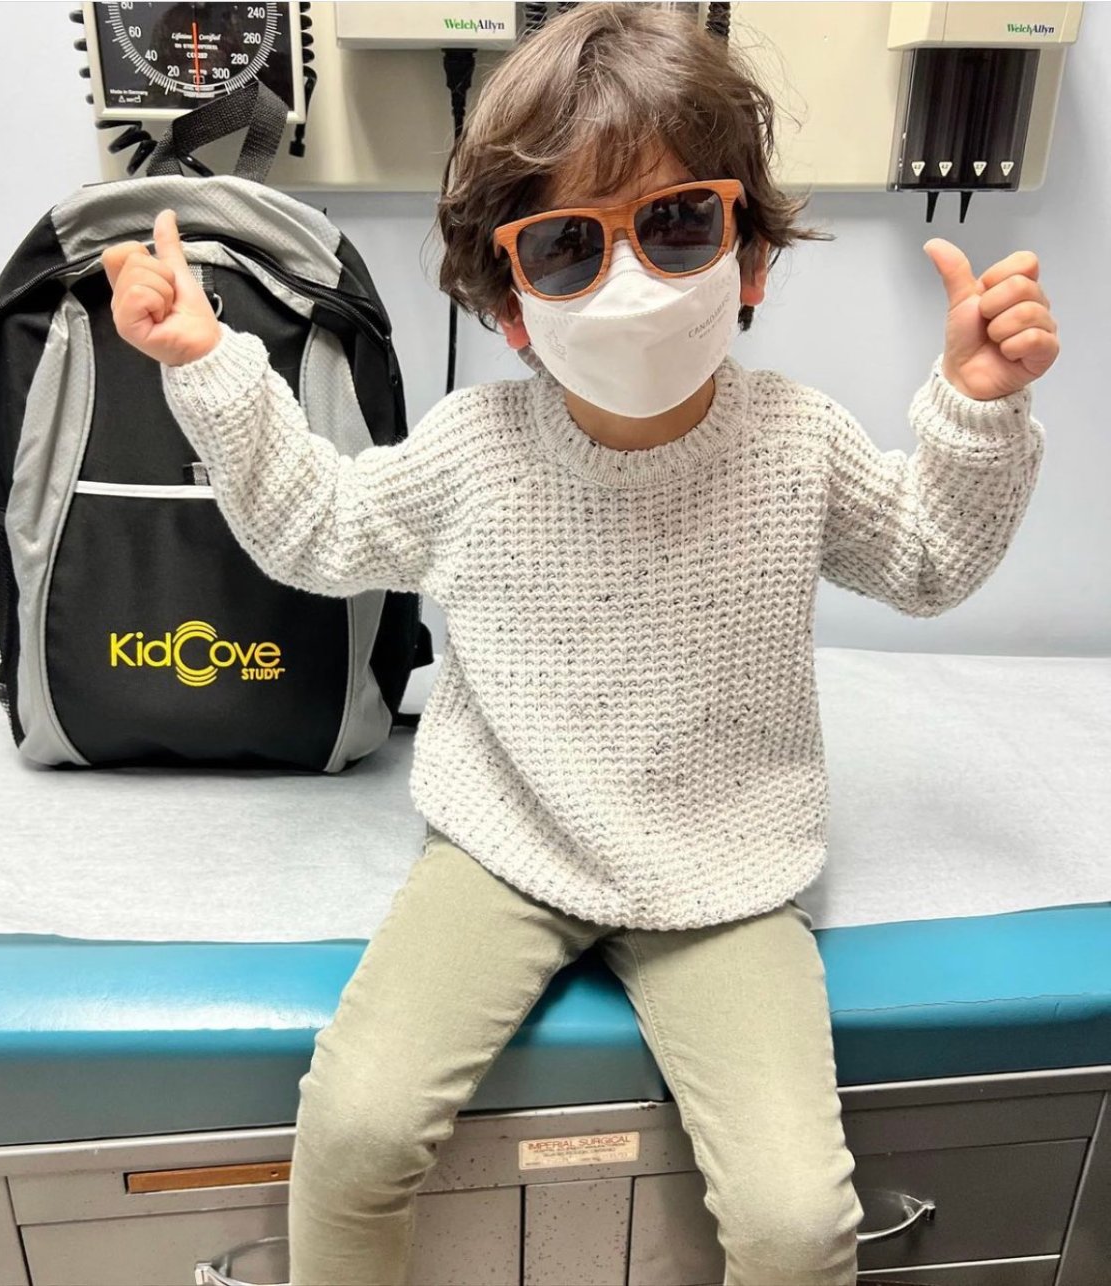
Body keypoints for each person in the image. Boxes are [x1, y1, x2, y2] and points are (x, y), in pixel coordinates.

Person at [101, 5, 1057, 1283]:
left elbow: (928, 563)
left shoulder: (798, 440)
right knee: (354, 1130)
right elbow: (316, 532)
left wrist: (977, 419)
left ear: (753, 257)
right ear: (507, 305)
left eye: (678, 225)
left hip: (728, 869)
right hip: (506, 845)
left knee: (798, 1225)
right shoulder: (470, 452)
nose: (629, 282)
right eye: (563, 247)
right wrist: (209, 363)